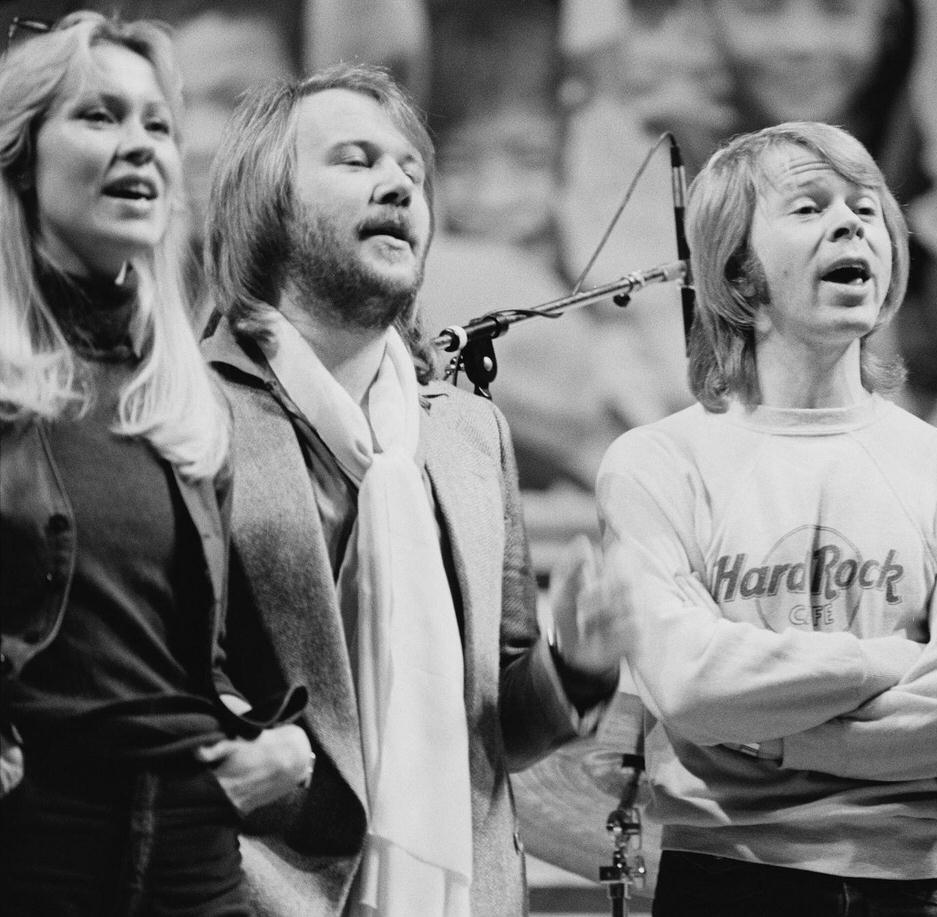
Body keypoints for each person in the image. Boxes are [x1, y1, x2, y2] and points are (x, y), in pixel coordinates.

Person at [200, 62, 631, 916]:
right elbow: (166, 679)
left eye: (411, 170)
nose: (397, 181)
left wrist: (575, 666)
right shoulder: (192, 410)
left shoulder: (470, 434)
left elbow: (496, 727)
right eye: (355, 160)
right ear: (268, 202)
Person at [596, 121, 937, 917]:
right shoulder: (657, 462)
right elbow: (693, 684)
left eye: (868, 209)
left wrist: (774, 738)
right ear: (738, 270)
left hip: (916, 885)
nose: (851, 224)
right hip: (728, 879)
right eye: (809, 206)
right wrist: (891, 663)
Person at [0, 12, 312, 914]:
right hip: (36, 851)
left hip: (191, 854)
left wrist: (271, 744)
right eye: (99, 116)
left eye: (158, 125)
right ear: (22, 158)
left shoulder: (183, 399)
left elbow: (193, 656)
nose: (139, 145)